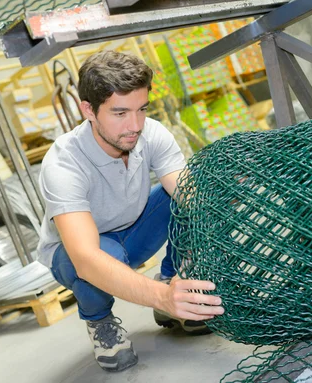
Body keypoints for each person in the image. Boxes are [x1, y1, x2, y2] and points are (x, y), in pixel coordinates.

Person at [36, 50, 224, 372]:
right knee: (91, 259)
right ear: (88, 110)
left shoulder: (150, 133)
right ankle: (100, 322)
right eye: (120, 113)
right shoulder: (63, 163)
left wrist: (225, 209)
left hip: (134, 230)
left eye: (142, 110)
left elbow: (189, 195)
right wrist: (160, 296)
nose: (134, 125)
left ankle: (176, 278)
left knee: (191, 192)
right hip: (83, 251)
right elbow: (86, 258)